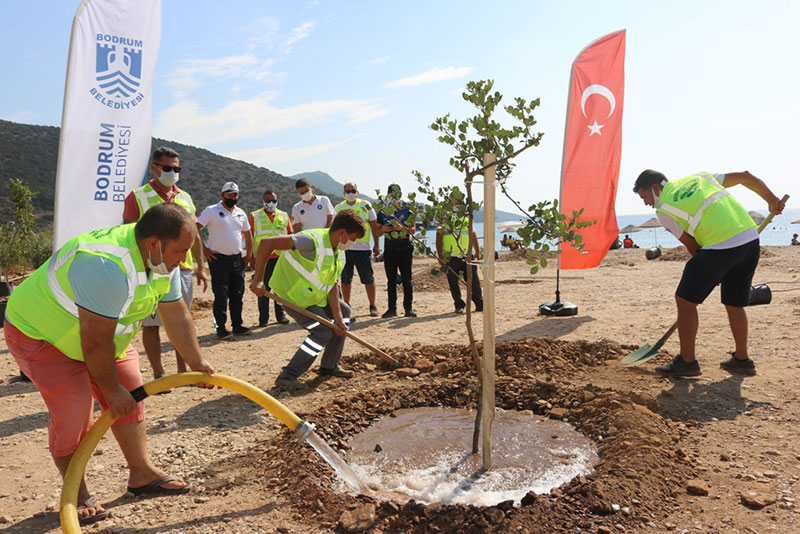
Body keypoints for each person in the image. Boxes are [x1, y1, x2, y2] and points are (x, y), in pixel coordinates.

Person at [3, 204, 216, 524]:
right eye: (180, 251)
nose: (183, 260)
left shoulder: (161, 263)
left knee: (132, 391)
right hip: (43, 335)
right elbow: (94, 342)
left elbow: (176, 314)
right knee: (74, 412)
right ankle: (76, 490)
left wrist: (197, 361)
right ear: (154, 244)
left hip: (102, 335)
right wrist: (109, 388)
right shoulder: (105, 264)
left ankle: (142, 474)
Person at [633, 169, 784, 377]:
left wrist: (714, 270)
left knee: (685, 301)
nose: (646, 203)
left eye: (645, 196)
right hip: (749, 239)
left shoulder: (664, 210)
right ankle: (742, 360)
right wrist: (772, 199)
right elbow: (745, 176)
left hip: (720, 246)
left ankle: (687, 362)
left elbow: (692, 246)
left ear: (656, 187)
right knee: (734, 303)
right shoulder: (700, 177)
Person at [250, 210, 366, 390]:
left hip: (313, 296)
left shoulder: (338, 251)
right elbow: (267, 243)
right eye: (354, 237)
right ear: (342, 233)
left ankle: (329, 366)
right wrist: (259, 279)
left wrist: (337, 317)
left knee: (344, 314)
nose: (354, 242)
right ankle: (288, 376)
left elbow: (331, 285)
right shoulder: (311, 241)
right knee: (323, 333)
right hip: (292, 297)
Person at [122, 146, 208, 382]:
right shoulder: (138, 196)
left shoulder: (185, 197)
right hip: (151, 268)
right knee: (151, 323)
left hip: (182, 267)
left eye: (176, 168)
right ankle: (159, 373)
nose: (172, 172)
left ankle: (183, 370)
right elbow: (128, 232)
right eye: (168, 168)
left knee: (180, 318)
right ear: (154, 167)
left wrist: (201, 266)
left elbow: (195, 235)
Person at [197, 182, 253, 339]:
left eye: (235, 194)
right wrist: (204, 249)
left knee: (237, 294)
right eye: (229, 194)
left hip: (237, 260)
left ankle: (237, 326)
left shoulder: (241, 213)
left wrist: (248, 255)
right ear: (222, 195)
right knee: (221, 296)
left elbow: (248, 235)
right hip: (218, 259)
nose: (232, 197)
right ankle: (220, 328)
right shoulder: (212, 211)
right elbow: (195, 228)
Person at [334, 182, 381, 317]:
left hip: (363, 249)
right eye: (347, 191)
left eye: (353, 191)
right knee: (346, 279)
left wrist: (376, 244)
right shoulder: (339, 207)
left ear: (357, 191)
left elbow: (373, 226)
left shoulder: (365, 205)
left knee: (368, 278)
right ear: (343, 193)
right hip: (345, 249)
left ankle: (372, 305)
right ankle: (346, 306)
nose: (350, 193)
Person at [248, 189, 292, 327]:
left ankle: (281, 315)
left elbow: (290, 235)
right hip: (263, 258)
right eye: (268, 201)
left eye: (273, 201)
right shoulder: (254, 216)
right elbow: (249, 237)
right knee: (263, 289)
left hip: (281, 257)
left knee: (280, 289)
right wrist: (251, 257)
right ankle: (263, 318)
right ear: (263, 201)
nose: (271, 203)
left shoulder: (284, 216)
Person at [375, 184, 417, 318]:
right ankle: (391, 309)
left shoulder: (407, 210)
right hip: (390, 249)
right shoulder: (382, 212)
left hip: (405, 248)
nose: (394, 197)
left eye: (396, 194)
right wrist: (384, 230)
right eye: (391, 194)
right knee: (391, 280)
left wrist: (402, 228)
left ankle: (408, 309)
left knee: (407, 280)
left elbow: (413, 230)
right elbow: (377, 232)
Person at [436, 204, 483, 313]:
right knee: (453, 282)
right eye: (454, 204)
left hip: (467, 256)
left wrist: (477, 252)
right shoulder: (445, 220)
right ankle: (459, 305)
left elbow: (473, 235)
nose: (456, 207)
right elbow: (439, 238)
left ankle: (479, 304)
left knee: (474, 281)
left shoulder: (467, 219)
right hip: (450, 257)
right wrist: (441, 256)